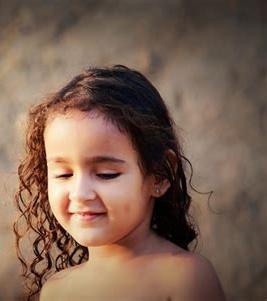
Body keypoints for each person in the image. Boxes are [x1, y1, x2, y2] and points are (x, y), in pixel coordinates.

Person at [13, 65, 225, 300]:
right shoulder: (57, 291)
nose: (80, 193)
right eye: (64, 174)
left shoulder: (185, 278)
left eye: (105, 174)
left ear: (160, 174)